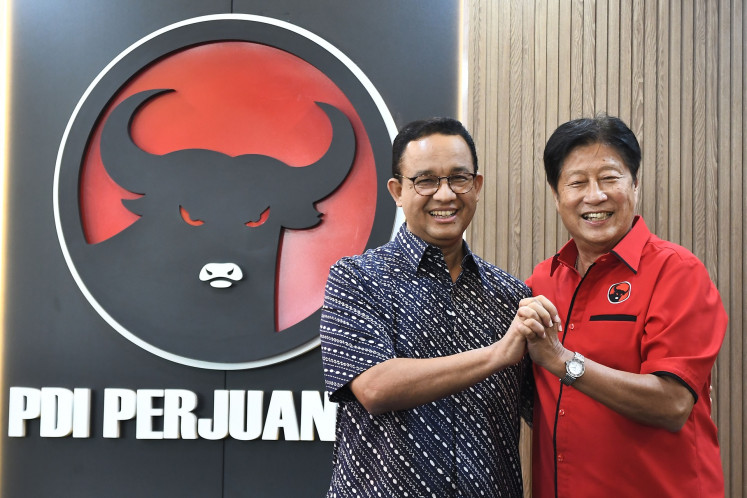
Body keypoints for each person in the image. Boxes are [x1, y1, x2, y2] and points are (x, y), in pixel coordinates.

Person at [319, 117, 533, 497]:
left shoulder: (510, 295)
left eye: (458, 178)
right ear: (398, 191)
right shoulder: (356, 279)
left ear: (477, 186)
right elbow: (375, 386)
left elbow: (550, 410)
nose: (446, 194)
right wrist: (498, 354)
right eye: (426, 181)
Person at [515, 115, 727, 497]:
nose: (594, 196)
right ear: (556, 194)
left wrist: (561, 361)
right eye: (577, 182)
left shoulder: (677, 272)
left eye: (610, 178)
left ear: (635, 184)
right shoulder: (541, 282)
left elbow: (673, 403)